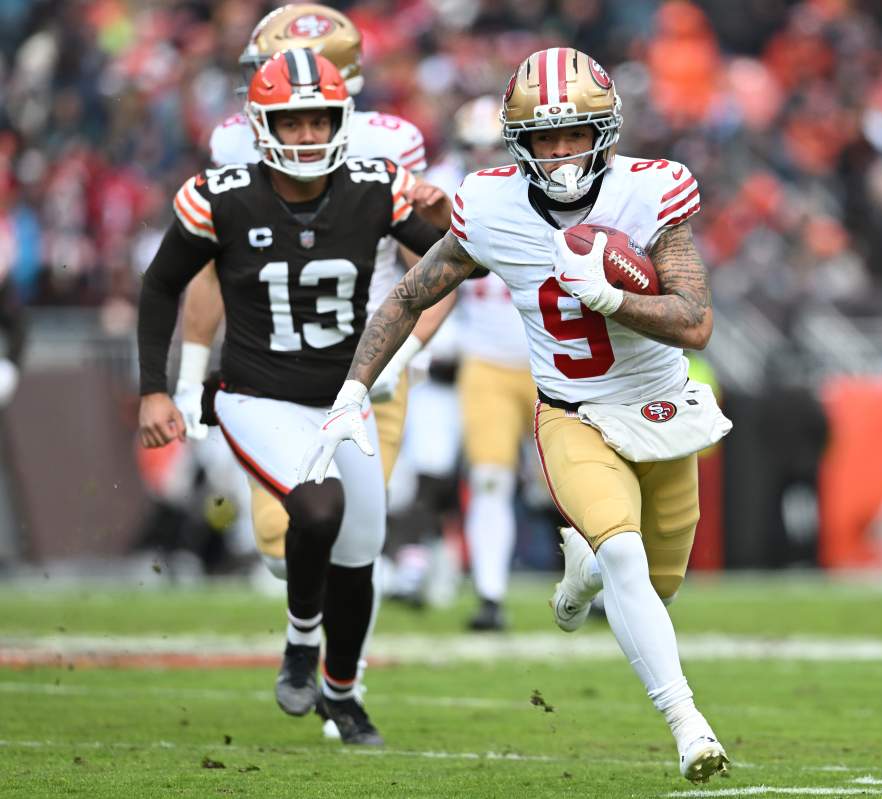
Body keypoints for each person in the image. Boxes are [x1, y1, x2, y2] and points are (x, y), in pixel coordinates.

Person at [300, 48, 732, 782]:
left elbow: (695, 322)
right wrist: (352, 391)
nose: (560, 152)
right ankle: (689, 726)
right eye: (544, 137)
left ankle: (583, 572)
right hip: (574, 413)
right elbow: (409, 295)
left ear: (606, 132)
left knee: (655, 586)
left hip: (659, 411)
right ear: (517, 141)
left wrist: (613, 298)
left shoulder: (651, 191)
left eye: (575, 134)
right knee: (627, 557)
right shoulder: (491, 206)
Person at [137, 49, 446, 745]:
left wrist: (449, 219)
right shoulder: (220, 194)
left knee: (360, 555)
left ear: (341, 121)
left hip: (343, 399)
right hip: (257, 396)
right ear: (262, 126)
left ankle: (342, 693)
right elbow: (160, 285)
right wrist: (158, 389)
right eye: (292, 122)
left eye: (319, 120)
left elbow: (455, 265)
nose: (307, 135)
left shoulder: (375, 185)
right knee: (318, 505)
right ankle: (302, 639)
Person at [426, 96, 541, 631]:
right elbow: (424, 273)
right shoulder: (449, 194)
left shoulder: (555, 188)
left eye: (492, 147)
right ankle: (491, 596)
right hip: (487, 360)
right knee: (491, 479)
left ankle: (600, 586)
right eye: (473, 148)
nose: (482, 158)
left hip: (554, 358)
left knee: (572, 482)